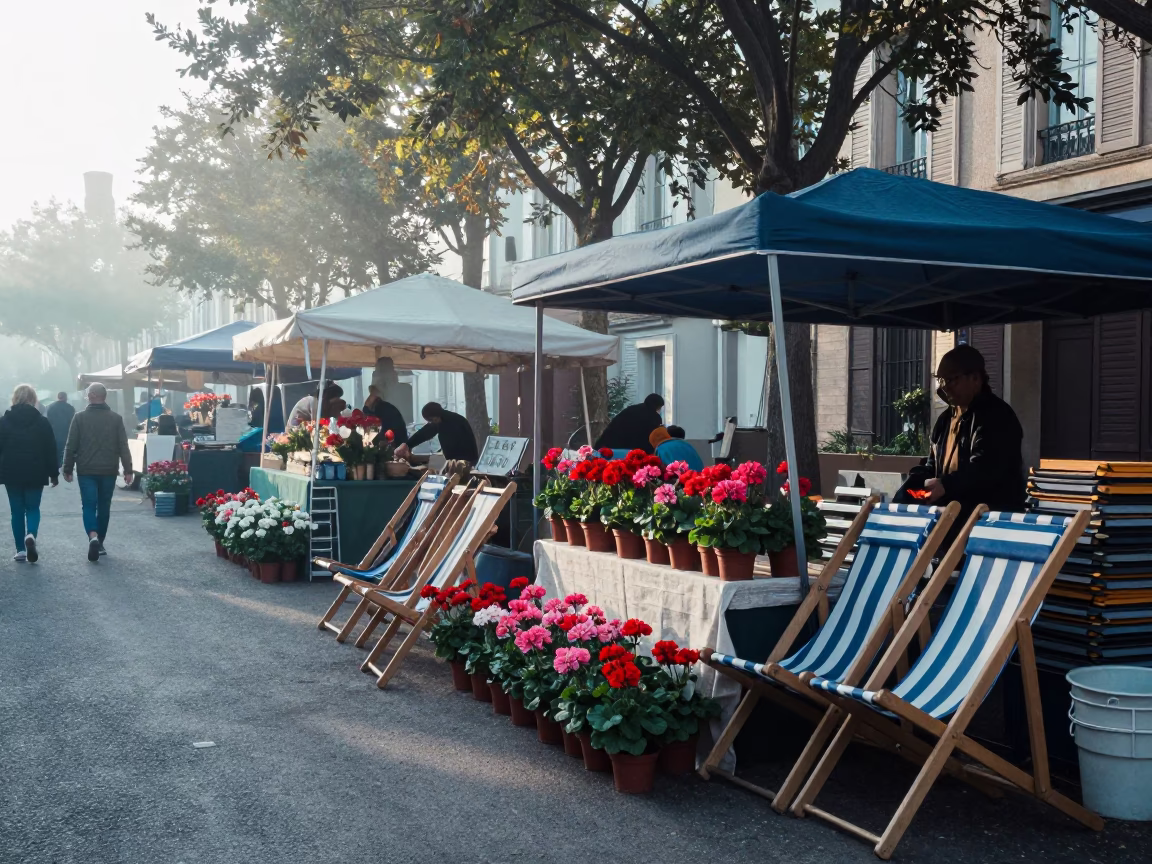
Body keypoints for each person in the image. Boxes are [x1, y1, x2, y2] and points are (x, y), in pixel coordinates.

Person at [923, 344, 1025, 520]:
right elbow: (932, 465)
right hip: (949, 517)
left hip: (989, 519)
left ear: (976, 378)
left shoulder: (996, 416)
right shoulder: (945, 419)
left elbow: (987, 469)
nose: (945, 387)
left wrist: (946, 485)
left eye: (951, 380)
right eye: (941, 380)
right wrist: (917, 482)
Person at [62, 383, 134, 562]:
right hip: (109, 470)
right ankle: (100, 542)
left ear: (93, 395)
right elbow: (123, 446)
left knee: (88, 505)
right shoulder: (116, 419)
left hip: (86, 470)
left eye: (87, 394)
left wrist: (67, 468)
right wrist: (128, 469)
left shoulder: (79, 418)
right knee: (104, 506)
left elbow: (71, 445)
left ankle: (92, 535)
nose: (86, 396)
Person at [0, 385, 60, 562]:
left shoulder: (3, 421)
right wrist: (54, 473)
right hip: (35, 471)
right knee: (33, 508)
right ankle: (31, 535)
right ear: (34, 399)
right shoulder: (42, 422)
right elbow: (50, 449)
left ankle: (20, 550)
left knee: (16, 511)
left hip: (11, 472)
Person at [395, 402, 478, 463]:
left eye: (431, 420)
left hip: (465, 461)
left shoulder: (454, 422)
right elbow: (424, 433)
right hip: (460, 460)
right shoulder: (442, 419)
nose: (432, 423)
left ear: (435, 418)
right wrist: (407, 445)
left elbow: (451, 447)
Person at [594, 393, 664, 454]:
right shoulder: (654, 417)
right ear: (657, 406)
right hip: (634, 451)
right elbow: (653, 437)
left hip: (610, 446)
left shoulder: (631, 409)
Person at [46, 391, 75, 468]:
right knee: (64, 451)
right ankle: (62, 465)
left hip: (54, 434)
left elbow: (47, 421)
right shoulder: (70, 408)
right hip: (66, 434)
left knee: (55, 451)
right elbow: (72, 422)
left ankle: (55, 465)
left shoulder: (50, 407)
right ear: (66, 398)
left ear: (58, 397)